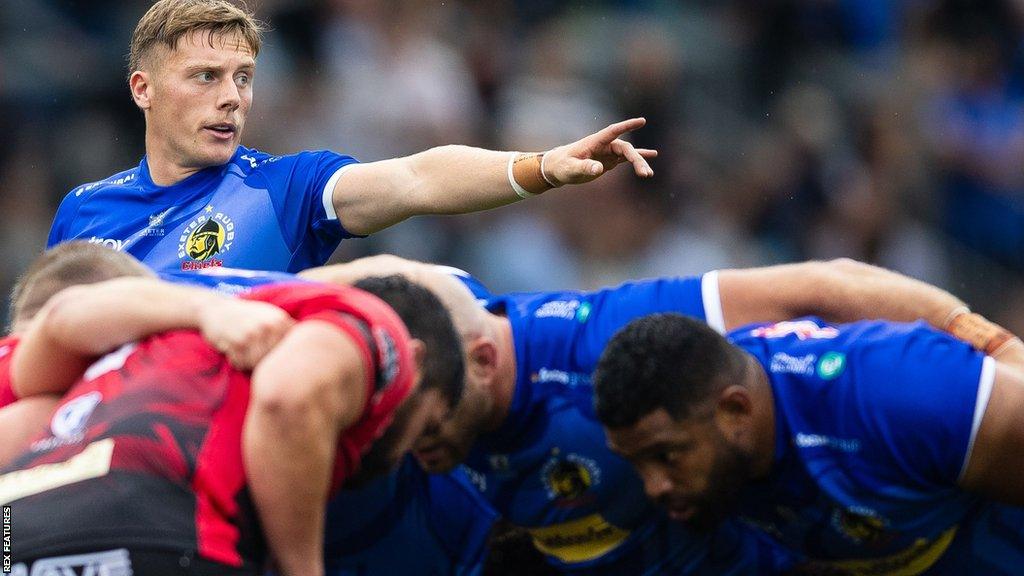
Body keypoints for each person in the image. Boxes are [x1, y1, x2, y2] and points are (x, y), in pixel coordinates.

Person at [301, 255, 995, 574]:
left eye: (425, 429)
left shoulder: (605, 342)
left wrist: (997, 351)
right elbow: (396, 274)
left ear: (481, 363)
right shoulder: (430, 368)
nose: (410, 447)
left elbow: (826, 286)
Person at [46, 0, 656, 275]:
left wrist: (543, 165)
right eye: (205, 76)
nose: (232, 96)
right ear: (142, 89)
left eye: (244, 78)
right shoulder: (83, 211)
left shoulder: (285, 188)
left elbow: (416, 178)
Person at [1, 274, 464, 576]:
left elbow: (50, 339)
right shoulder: (373, 324)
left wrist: (206, 311)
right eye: (426, 428)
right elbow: (289, 398)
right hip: (161, 529)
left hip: (15, 533)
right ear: (416, 363)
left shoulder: (148, 346)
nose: (410, 455)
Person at [593, 311, 1024, 574]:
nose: (653, 487)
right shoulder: (701, 429)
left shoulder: (899, 394)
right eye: (637, 464)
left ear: (736, 411)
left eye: (666, 457)